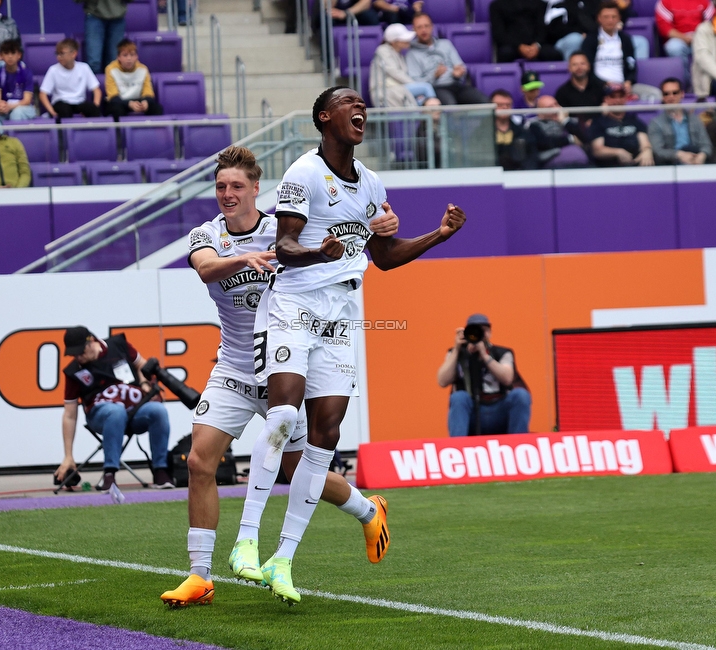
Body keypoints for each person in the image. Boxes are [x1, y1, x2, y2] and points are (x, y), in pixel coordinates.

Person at [250, 86, 465, 605]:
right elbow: (282, 246)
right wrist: (318, 253)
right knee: (283, 423)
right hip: (295, 308)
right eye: (348, 102)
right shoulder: (302, 174)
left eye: (362, 102)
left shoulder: (371, 183)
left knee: (323, 437)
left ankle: (285, 558)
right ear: (326, 117)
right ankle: (241, 545)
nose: (360, 107)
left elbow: (385, 258)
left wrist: (437, 235)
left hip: (343, 314)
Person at [159, 146, 393, 608]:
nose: (227, 194)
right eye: (221, 186)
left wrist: (383, 223)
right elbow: (206, 268)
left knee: (296, 469)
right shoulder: (206, 234)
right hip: (233, 368)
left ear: (256, 189)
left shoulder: (283, 227)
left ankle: (370, 509)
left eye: (237, 186)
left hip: (287, 367)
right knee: (198, 462)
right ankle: (199, 576)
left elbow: (350, 231)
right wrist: (243, 260)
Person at [54, 326, 175, 493]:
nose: (77, 357)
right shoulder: (74, 372)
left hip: (134, 409)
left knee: (158, 411)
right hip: (100, 413)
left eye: (80, 352)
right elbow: (69, 415)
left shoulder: (118, 345)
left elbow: (142, 365)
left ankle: (161, 471)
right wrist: (68, 456)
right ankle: (109, 474)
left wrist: (145, 383)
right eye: (73, 354)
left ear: (91, 341)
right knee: (115, 412)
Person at [437, 314, 531, 437]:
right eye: (475, 330)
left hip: (498, 410)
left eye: (483, 330)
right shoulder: (457, 354)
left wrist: (485, 356)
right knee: (458, 397)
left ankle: (517, 444)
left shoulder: (503, 353)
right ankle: (458, 447)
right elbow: (442, 381)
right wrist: (456, 349)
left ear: (490, 333)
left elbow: (507, 378)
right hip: (471, 412)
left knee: (521, 395)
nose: (479, 334)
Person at [406, 13, 489, 106]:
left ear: (432, 27)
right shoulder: (411, 54)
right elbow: (415, 82)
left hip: (455, 84)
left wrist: (458, 74)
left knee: (484, 101)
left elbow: (460, 66)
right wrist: (434, 76)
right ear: (414, 30)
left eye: (426, 26)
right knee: (450, 105)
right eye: (419, 27)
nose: (424, 30)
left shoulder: (445, 44)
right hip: (436, 88)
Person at [369, 23, 437, 107]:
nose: (408, 40)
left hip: (398, 89)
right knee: (426, 88)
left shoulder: (399, 54)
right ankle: (435, 115)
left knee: (421, 99)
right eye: (403, 38)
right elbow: (396, 73)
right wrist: (415, 84)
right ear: (394, 41)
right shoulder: (382, 51)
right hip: (386, 92)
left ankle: (430, 117)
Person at [647, 77, 711, 164]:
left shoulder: (694, 119)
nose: (671, 96)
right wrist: (678, 155)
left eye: (675, 93)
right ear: (662, 97)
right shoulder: (656, 123)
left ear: (682, 94)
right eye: (666, 94)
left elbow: (706, 144)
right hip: (671, 165)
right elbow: (658, 151)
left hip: (696, 162)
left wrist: (702, 155)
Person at [588, 82, 654, 165]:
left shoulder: (634, 120)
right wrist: (618, 152)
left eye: (621, 96)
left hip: (635, 166)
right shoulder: (598, 122)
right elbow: (597, 150)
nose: (617, 100)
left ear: (625, 98)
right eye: (613, 97)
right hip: (608, 169)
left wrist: (647, 151)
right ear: (606, 99)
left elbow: (644, 142)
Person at [582, 1, 638, 96]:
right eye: (606, 17)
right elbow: (587, 69)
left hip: (623, 88)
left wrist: (629, 82)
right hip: (598, 88)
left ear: (619, 18)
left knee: (652, 94)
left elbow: (632, 64)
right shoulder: (590, 40)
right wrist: (603, 84)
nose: (610, 20)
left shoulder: (626, 39)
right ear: (599, 18)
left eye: (613, 17)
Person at [39, 38, 102, 119]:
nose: (59, 57)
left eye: (62, 53)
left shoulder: (84, 67)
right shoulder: (53, 70)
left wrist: (95, 107)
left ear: (74, 54)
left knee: (92, 110)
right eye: (57, 53)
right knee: (64, 110)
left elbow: (97, 90)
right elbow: (43, 94)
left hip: (79, 103)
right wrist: (52, 112)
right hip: (61, 103)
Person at [104, 38, 164, 118]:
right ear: (118, 57)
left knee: (157, 108)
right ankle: (119, 131)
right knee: (116, 109)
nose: (129, 59)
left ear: (137, 56)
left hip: (138, 101)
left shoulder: (143, 69)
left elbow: (148, 92)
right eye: (125, 55)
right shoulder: (110, 69)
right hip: (119, 102)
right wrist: (129, 104)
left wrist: (146, 101)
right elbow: (112, 96)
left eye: (132, 55)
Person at [489, 0, 563, 63]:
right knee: (505, 54)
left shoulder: (539, 4)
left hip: (535, 45)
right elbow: (499, 33)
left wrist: (536, 45)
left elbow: (543, 29)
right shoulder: (497, 5)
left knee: (554, 55)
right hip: (512, 45)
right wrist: (518, 46)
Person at [527, 95, 589, 167]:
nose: (556, 109)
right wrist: (570, 139)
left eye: (556, 104)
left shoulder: (570, 122)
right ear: (541, 114)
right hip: (555, 164)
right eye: (550, 107)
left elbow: (586, 138)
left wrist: (564, 121)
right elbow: (545, 143)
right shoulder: (535, 125)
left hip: (583, 163)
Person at [655, 0, 713, 70]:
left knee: (712, 46)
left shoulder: (705, 1)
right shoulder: (665, 2)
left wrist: (698, 37)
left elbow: (711, 24)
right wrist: (684, 38)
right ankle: (684, 80)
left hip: (700, 36)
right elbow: (665, 29)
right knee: (674, 48)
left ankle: (706, 80)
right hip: (677, 38)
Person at [555, 50, 607, 128]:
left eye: (582, 64)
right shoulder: (562, 92)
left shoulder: (600, 88)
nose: (579, 67)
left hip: (599, 128)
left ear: (589, 66)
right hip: (574, 131)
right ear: (569, 68)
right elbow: (562, 118)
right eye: (575, 64)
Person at [76, 0, 128, 75]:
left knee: (114, 63)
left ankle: (111, 86)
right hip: (94, 15)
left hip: (118, 18)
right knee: (94, 63)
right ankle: (94, 86)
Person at [0, 39, 35, 121]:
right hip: (6, 107)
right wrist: (0, 106)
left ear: (19, 55)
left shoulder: (26, 72)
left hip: (24, 107)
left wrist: (10, 106)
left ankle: (15, 134)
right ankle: (0, 134)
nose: (10, 56)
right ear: (1, 56)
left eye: (13, 53)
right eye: (6, 53)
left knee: (16, 113)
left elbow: (27, 101)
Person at [491, 89, 534, 170]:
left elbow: (531, 157)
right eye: (499, 105)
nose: (504, 108)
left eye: (508, 105)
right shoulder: (483, 132)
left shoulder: (522, 132)